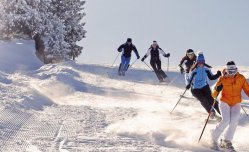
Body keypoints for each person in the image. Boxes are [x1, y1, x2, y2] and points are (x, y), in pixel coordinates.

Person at [210, 61, 249, 151]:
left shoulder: (241, 78)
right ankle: (213, 138)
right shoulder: (222, 79)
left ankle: (226, 141)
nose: (231, 74)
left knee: (234, 120)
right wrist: (217, 89)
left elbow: (247, 89)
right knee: (226, 120)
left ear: (236, 70)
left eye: (233, 71)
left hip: (236, 102)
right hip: (224, 102)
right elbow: (214, 94)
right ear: (226, 71)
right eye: (229, 72)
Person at [186, 51, 221, 118]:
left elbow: (211, 77)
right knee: (203, 99)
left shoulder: (206, 69)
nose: (201, 63)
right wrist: (188, 84)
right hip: (195, 89)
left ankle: (222, 113)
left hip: (204, 87)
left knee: (211, 100)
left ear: (204, 61)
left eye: (202, 61)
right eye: (199, 62)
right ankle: (211, 112)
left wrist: (217, 75)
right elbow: (189, 79)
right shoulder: (194, 70)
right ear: (197, 61)